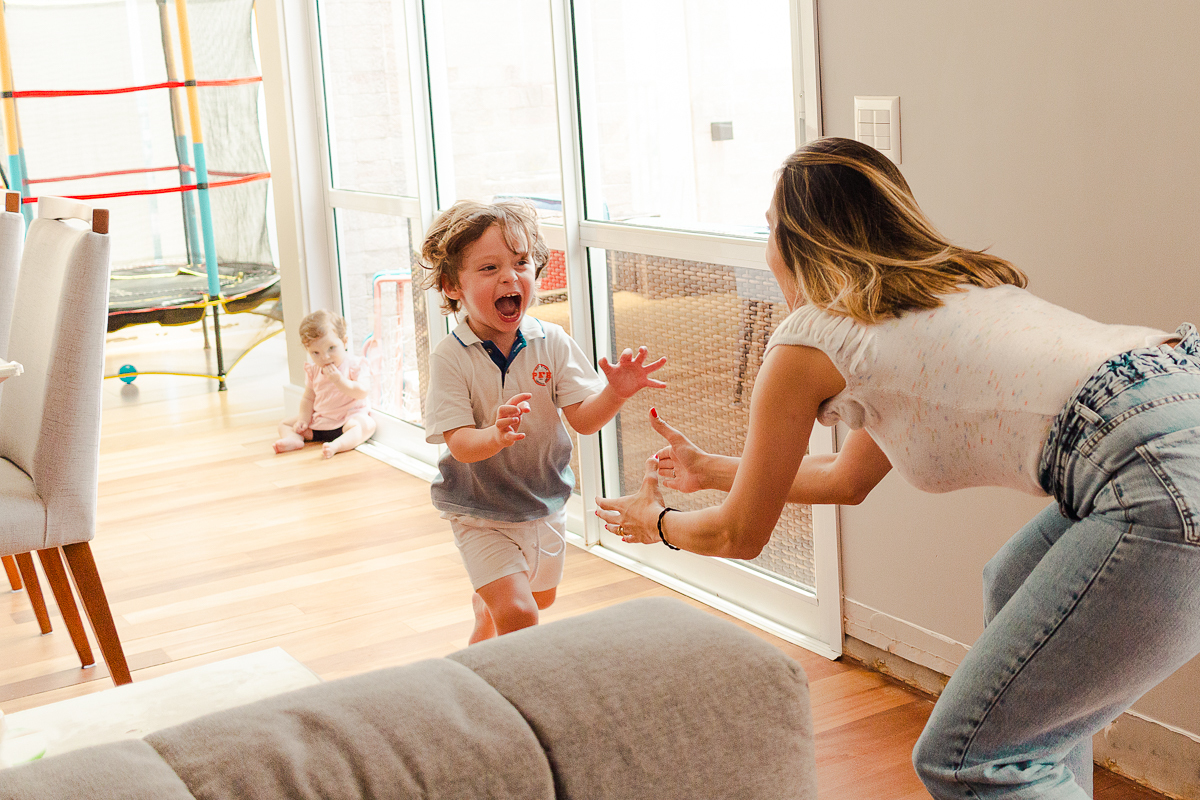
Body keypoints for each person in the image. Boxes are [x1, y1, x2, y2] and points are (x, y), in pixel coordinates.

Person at [595, 136, 1200, 800]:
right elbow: (845, 479)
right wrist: (710, 469)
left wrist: (655, 522)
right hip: (1173, 399)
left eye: (769, 229)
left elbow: (738, 534)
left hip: (1149, 465)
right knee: (1012, 583)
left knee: (969, 759)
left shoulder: (811, 337)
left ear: (797, 241)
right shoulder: (951, 292)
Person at [419, 198, 665, 644]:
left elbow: (584, 421)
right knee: (519, 613)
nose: (509, 277)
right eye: (489, 268)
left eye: (520, 263)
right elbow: (459, 444)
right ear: (453, 285)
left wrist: (615, 392)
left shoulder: (552, 341)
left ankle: (485, 604)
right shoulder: (450, 357)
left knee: (540, 599)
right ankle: (498, 677)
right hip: (479, 512)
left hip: (544, 501)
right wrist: (494, 436)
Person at [273, 309, 377, 459]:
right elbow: (308, 398)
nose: (325, 357)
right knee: (285, 424)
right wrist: (303, 419)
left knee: (367, 425)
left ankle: (338, 445)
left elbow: (362, 391)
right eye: (315, 353)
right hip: (320, 422)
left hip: (347, 421)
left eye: (331, 348)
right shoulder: (314, 370)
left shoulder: (355, 365)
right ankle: (294, 439)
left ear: (345, 341)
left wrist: (339, 380)